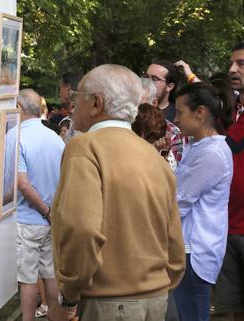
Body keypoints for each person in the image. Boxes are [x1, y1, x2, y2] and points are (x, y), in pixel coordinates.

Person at [49, 64, 185, 321]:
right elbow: (174, 240)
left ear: (97, 103)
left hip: (108, 302)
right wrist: (160, 283)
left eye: (78, 96)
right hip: (157, 300)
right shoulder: (153, 155)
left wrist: (68, 298)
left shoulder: (85, 147)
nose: (72, 103)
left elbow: (81, 229)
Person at [176, 44, 244, 321]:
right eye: (231, 63)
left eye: (240, 63)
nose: (232, 70)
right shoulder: (230, 110)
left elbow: (180, 200)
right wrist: (191, 78)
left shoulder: (212, 149)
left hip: (212, 233)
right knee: (229, 307)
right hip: (226, 226)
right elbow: (207, 99)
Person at [172, 82, 234, 321]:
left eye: (180, 112)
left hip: (194, 250)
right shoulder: (199, 146)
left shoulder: (211, 152)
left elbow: (179, 203)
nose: (176, 118)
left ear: (200, 112)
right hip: (190, 247)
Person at [14, 89, 65, 321]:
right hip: (52, 219)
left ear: (19, 108)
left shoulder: (17, 137)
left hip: (30, 219)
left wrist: (45, 211)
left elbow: (22, 185)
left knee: (28, 279)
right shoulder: (56, 139)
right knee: (50, 275)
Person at [59, 72, 82, 142]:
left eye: (59, 89)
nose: (59, 93)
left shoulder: (78, 117)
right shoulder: (89, 113)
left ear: (68, 88)